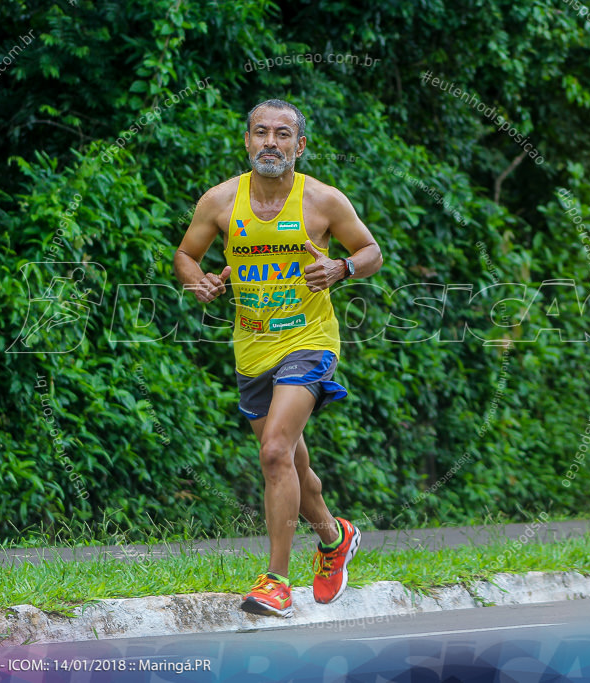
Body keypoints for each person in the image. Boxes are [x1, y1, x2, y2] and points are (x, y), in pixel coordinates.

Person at [174, 98, 382, 617]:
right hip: (251, 347)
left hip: (309, 340)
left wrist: (341, 270)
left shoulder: (323, 200)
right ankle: (335, 538)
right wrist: (196, 282)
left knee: (273, 452)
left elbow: (370, 252)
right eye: (261, 133)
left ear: (299, 145)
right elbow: (186, 255)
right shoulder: (220, 201)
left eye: (283, 134)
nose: (271, 142)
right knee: (290, 462)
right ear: (247, 142)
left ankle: (276, 580)